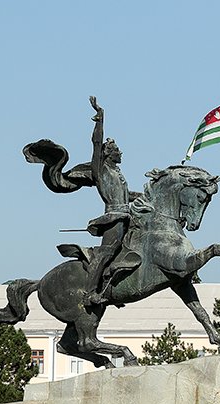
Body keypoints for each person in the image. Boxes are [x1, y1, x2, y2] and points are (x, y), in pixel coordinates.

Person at [82, 97, 140, 306]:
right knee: (108, 252)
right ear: (108, 153)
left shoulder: (117, 173)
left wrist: (145, 197)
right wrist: (100, 119)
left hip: (126, 217)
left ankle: (113, 286)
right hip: (113, 219)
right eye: (117, 150)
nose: (120, 152)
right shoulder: (101, 170)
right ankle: (89, 293)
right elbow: (97, 144)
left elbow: (126, 195)